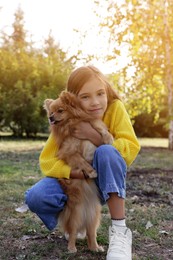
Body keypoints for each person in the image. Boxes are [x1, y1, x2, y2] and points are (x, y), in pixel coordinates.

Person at [25, 65, 140, 260]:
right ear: (72, 101)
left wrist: (94, 136)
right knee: (36, 196)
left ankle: (120, 231)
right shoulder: (64, 120)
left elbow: (130, 146)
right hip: (77, 180)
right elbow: (47, 161)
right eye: (85, 97)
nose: (95, 102)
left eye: (100, 93)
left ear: (107, 91)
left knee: (107, 151)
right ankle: (75, 222)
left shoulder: (115, 108)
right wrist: (76, 173)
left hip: (105, 182)